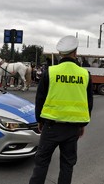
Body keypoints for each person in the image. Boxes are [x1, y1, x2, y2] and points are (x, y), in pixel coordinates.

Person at [29, 35, 93, 184]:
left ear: (60, 54)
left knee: (42, 162)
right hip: (73, 128)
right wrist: (82, 124)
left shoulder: (50, 72)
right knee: (67, 165)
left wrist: (39, 120)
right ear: (75, 53)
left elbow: (40, 99)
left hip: (51, 126)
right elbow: (89, 102)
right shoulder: (85, 75)